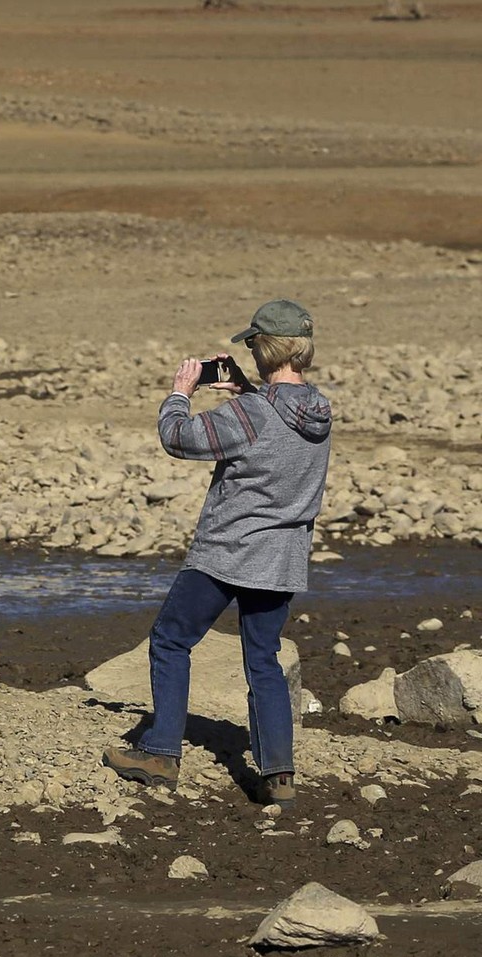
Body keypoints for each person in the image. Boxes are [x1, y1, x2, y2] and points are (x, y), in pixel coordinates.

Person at [103, 299, 331, 809]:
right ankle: (279, 774)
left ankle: (161, 752)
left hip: (228, 553)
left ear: (263, 348)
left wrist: (179, 393)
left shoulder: (251, 414)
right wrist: (249, 392)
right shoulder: (318, 410)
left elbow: (177, 439)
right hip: (282, 558)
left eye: (252, 344)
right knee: (264, 660)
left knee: (169, 640)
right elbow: (278, 425)